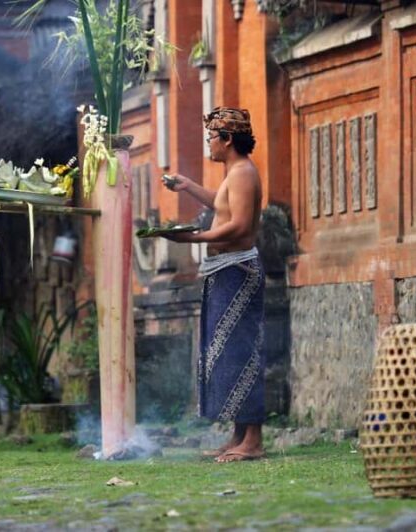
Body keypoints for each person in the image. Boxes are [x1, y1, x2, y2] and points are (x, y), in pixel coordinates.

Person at [162, 107, 265, 463]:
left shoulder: (243, 174)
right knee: (224, 351)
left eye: (212, 138)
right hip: (225, 270)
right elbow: (222, 207)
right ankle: (238, 434)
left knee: (240, 351)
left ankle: (252, 440)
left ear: (228, 140)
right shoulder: (233, 173)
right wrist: (187, 186)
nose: (209, 144)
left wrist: (194, 238)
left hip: (238, 270)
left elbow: (238, 226)